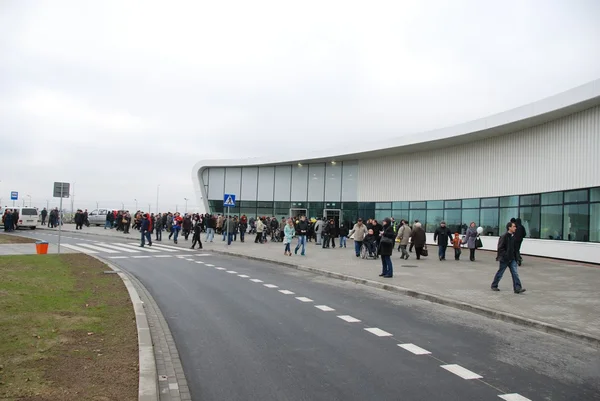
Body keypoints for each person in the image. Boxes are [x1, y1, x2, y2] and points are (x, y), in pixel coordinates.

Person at [491, 222, 526, 294]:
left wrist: (517, 258)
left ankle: (517, 288)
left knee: (515, 273)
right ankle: (494, 285)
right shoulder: (504, 236)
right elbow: (500, 248)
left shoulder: (514, 237)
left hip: (512, 258)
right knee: (500, 272)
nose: (515, 228)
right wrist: (505, 256)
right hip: (505, 259)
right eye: (513, 226)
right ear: (509, 228)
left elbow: (515, 249)